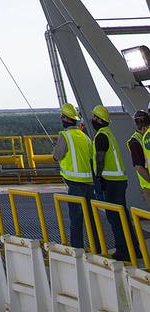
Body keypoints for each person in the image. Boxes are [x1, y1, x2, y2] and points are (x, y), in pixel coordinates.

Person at [90, 104, 130, 260]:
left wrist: (98, 176)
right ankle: (133, 248)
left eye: (94, 117)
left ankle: (122, 250)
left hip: (111, 182)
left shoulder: (101, 136)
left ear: (99, 120)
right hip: (119, 180)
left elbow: (100, 158)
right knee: (123, 217)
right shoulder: (108, 134)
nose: (92, 119)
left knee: (115, 218)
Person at [52, 103, 94, 248]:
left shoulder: (65, 136)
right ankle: (97, 246)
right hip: (89, 183)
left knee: (76, 218)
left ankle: (77, 247)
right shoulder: (84, 137)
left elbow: (57, 155)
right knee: (91, 217)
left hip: (74, 184)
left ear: (64, 118)